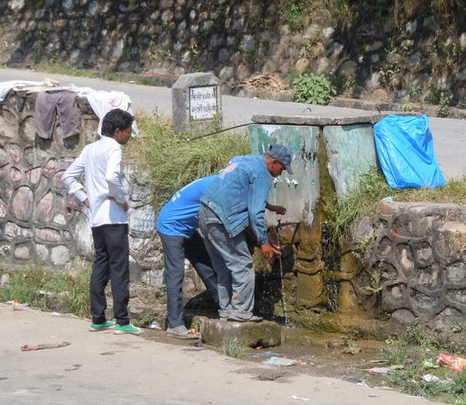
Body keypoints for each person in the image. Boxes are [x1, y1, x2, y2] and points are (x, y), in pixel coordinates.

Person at [61, 108, 141, 335]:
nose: (129, 136)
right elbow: (111, 177)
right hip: (114, 217)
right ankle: (122, 321)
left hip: (97, 219)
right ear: (118, 131)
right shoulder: (114, 148)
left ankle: (98, 317)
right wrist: (122, 200)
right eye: (127, 132)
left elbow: (67, 176)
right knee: (119, 268)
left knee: (101, 265)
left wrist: (84, 197)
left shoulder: (90, 149)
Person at [198, 144, 293, 323]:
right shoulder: (263, 175)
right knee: (243, 265)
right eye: (282, 168)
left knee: (223, 266)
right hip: (222, 218)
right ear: (274, 162)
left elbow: (235, 169)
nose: (281, 173)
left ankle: (226, 310)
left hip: (205, 212)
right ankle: (241, 312)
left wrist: (271, 207)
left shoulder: (249, 160)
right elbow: (255, 213)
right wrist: (263, 241)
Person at [156, 176, 219, 339]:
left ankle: (224, 307)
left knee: (207, 265)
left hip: (187, 228)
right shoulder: (216, 187)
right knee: (175, 274)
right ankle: (174, 325)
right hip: (171, 226)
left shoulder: (217, 181)